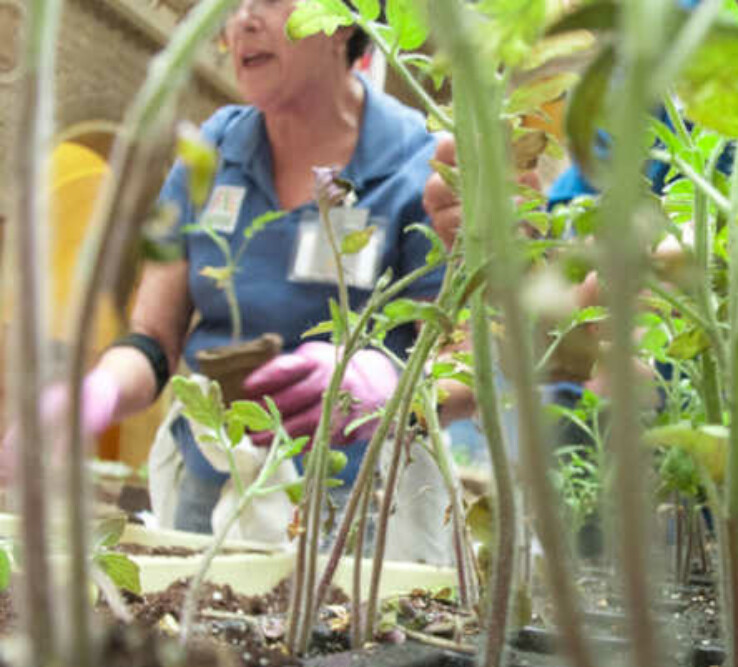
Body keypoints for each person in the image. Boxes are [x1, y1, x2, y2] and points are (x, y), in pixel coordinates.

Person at [29, 0, 471, 562]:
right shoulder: (208, 154)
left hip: (355, 505)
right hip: (209, 487)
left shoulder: (419, 164)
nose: (244, 18)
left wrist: (386, 391)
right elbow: (153, 338)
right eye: (234, 4)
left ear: (340, 22)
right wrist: (98, 391)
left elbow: (468, 367)